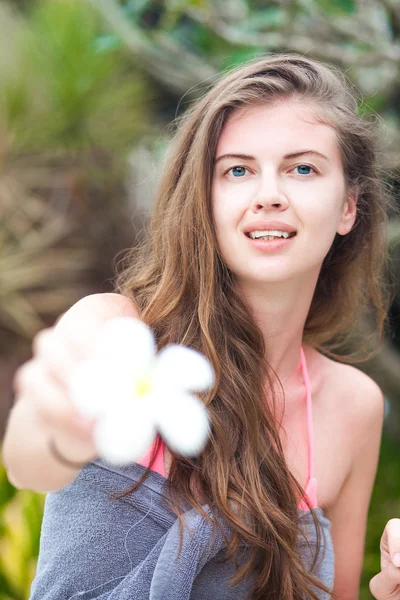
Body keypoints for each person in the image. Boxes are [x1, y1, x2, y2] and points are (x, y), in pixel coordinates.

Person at [2, 52, 400, 600]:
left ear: (348, 207)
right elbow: (29, 463)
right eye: (238, 170)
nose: (269, 195)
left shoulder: (352, 405)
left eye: (302, 168)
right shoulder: (115, 333)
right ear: (205, 199)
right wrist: (57, 434)